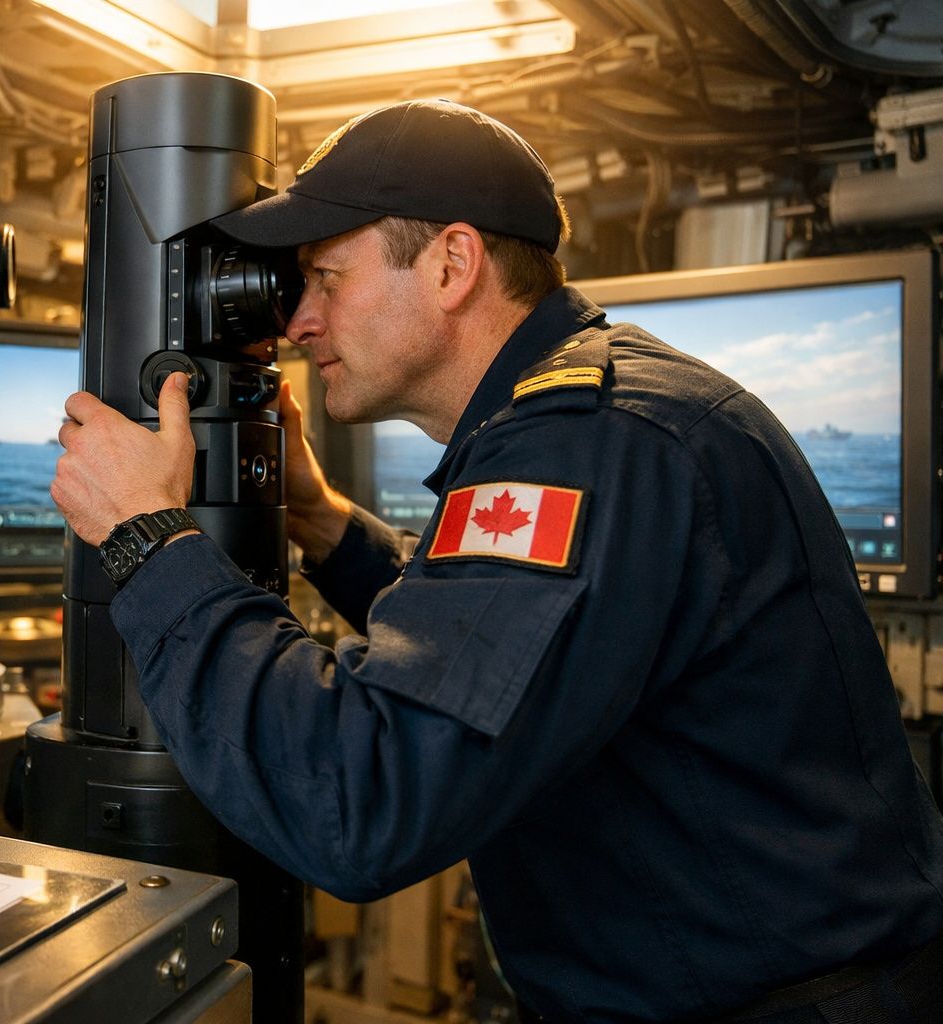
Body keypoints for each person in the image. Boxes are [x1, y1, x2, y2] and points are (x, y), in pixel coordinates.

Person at [49, 99, 943, 1023]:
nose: (299, 324)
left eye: (325, 277)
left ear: (452, 264)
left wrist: (146, 537)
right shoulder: (603, 409)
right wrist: (322, 522)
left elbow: (361, 798)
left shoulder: (585, 444)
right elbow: (505, 663)